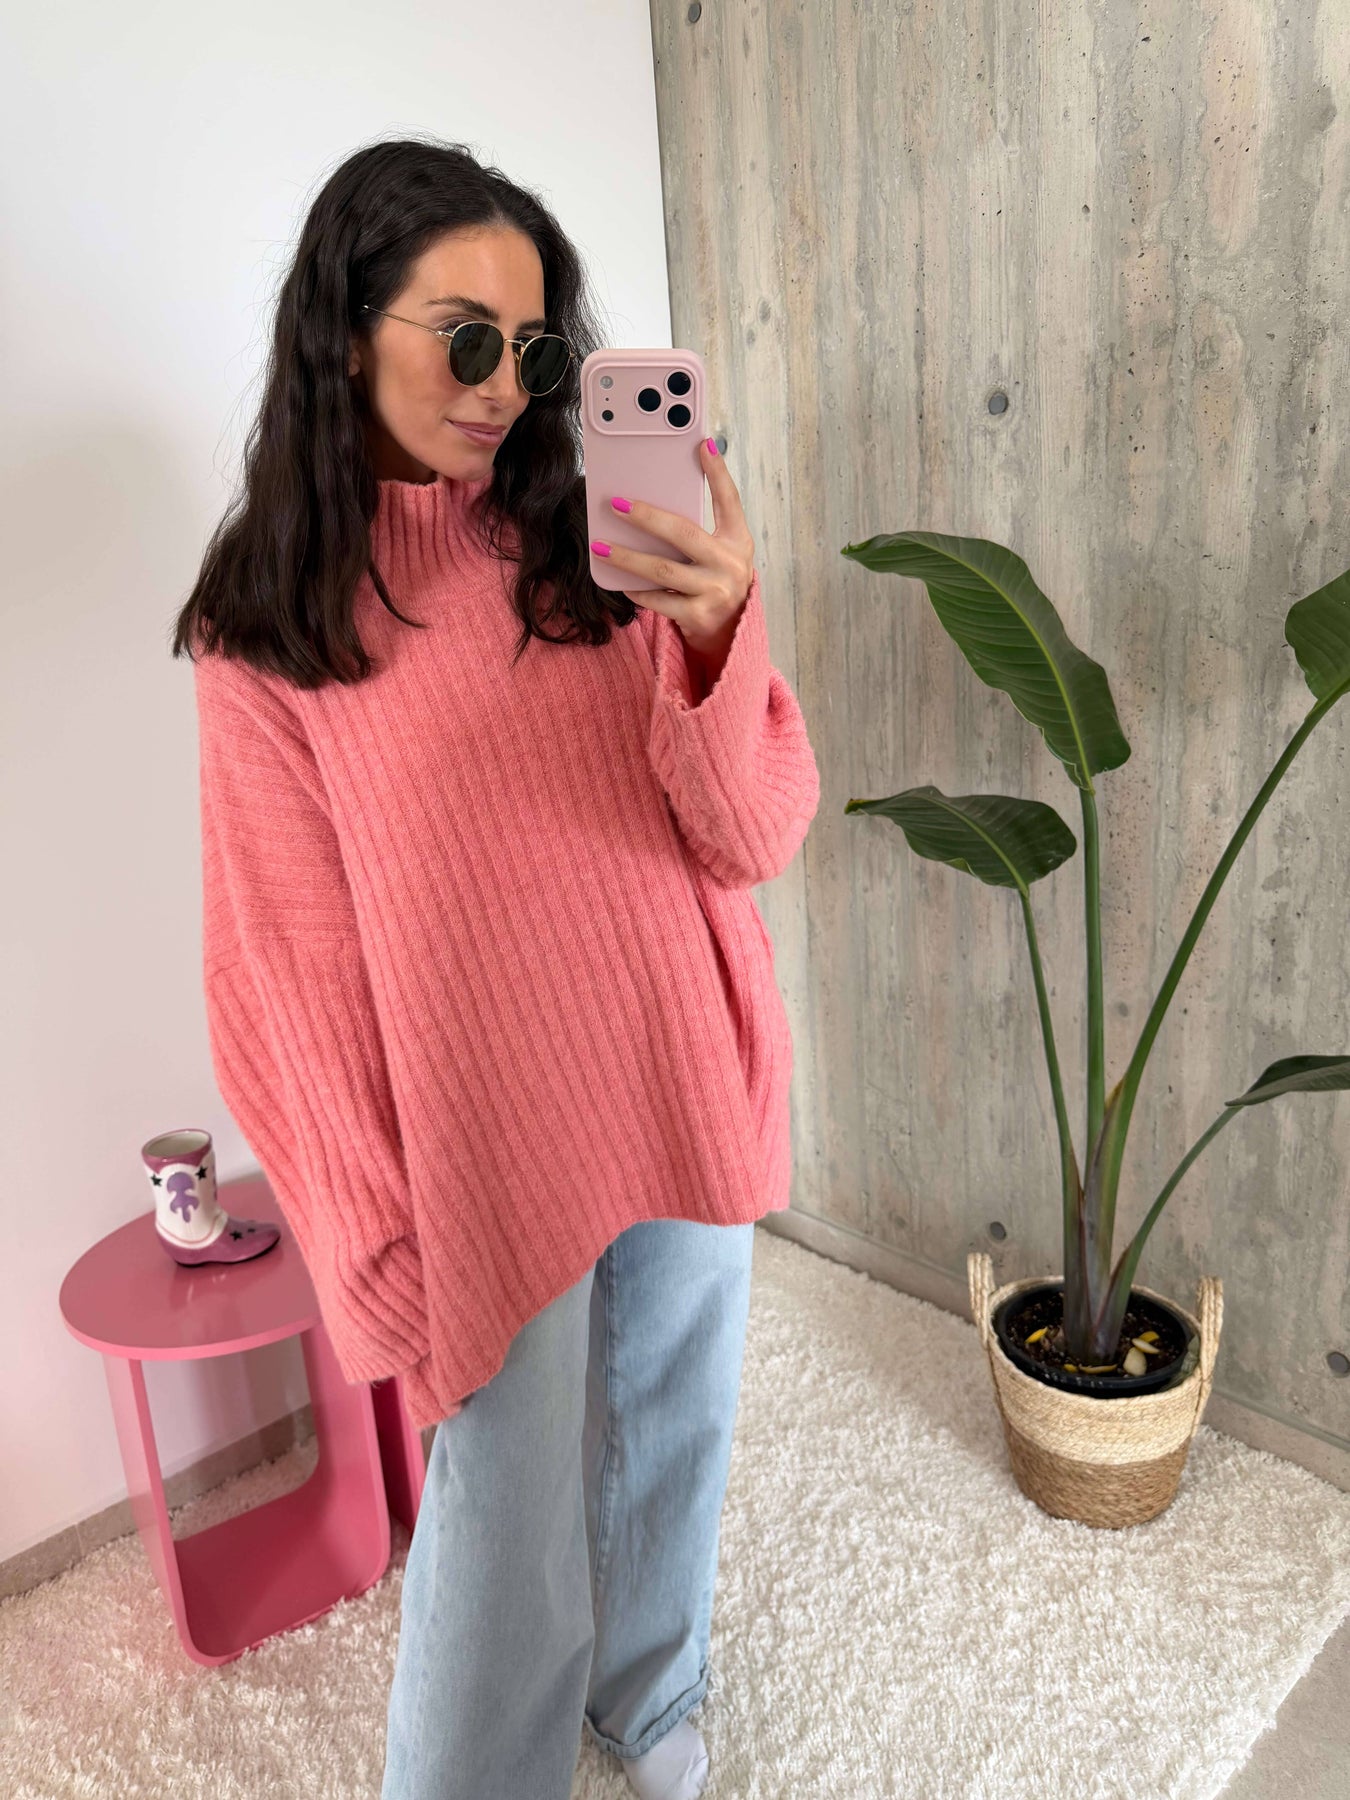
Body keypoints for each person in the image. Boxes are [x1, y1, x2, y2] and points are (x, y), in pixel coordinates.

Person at [172, 135, 820, 1800]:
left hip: (675, 1055)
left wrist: (715, 629)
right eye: (465, 338)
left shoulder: (592, 534)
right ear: (344, 330)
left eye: (530, 351)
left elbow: (746, 831)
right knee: (500, 1509)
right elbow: (282, 974)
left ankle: (647, 1698)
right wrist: (369, 1232)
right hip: (485, 1146)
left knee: (673, 1418)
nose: (503, 388)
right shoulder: (268, 632)